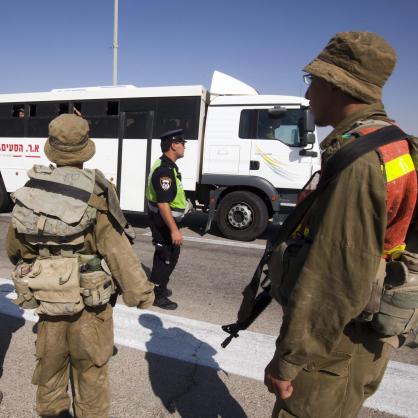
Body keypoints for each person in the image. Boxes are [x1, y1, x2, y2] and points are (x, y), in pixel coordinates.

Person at [263, 32, 417, 417]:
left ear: (337, 85)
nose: (309, 93)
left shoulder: (360, 161)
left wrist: (289, 361)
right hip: (360, 334)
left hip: (334, 342)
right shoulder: (393, 143)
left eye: (313, 81)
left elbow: (334, 275)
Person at [7, 113, 154, 418]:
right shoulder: (97, 192)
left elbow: (15, 249)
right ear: (86, 147)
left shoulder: (32, 188)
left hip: (50, 304)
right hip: (91, 308)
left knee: (49, 374)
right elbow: (117, 250)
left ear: (52, 148)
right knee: (90, 376)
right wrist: (140, 293)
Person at [145, 128, 188, 310]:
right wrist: (174, 230)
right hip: (163, 220)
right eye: (182, 143)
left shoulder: (167, 166)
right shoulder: (164, 171)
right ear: (173, 145)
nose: (185, 146)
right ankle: (157, 294)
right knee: (165, 256)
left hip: (162, 219)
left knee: (169, 254)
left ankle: (159, 286)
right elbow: (163, 204)